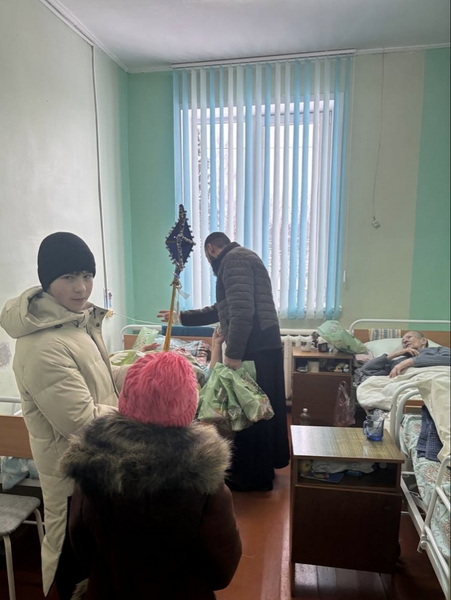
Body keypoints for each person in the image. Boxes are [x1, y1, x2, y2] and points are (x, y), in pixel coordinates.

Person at [0, 232, 128, 600]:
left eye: (87, 275)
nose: (81, 287)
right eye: (69, 277)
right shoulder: (42, 345)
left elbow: (101, 379)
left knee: (98, 565)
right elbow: (82, 421)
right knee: (74, 562)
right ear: (47, 281)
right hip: (72, 478)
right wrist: (140, 415)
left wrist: (142, 374)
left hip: (97, 466)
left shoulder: (75, 325)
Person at [61, 351, 242, 600]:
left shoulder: (92, 468)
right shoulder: (204, 481)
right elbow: (222, 570)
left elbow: (80, 545)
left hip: (110, 591)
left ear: (125, 398)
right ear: (190, 404)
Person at [159, 231, 290, 492]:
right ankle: (264, 470)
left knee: (250, 409)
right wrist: (182, 317)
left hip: (254, 346)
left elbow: (242, 312)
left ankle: (253, 478)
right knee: (262, 407)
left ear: (210, 249)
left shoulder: (233, 261)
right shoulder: (242, 257)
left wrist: (233, 354)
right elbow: (224, 308)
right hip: (264, 344)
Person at [356, 330, 450, 382]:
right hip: (409, 389)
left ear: (423, 340)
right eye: (403, 341)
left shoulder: (439, 350)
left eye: (409, 337)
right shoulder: (397, 362)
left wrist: (410, 362)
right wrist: (395, 354)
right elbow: (367, 369)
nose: (405, 341)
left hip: (438, 381)